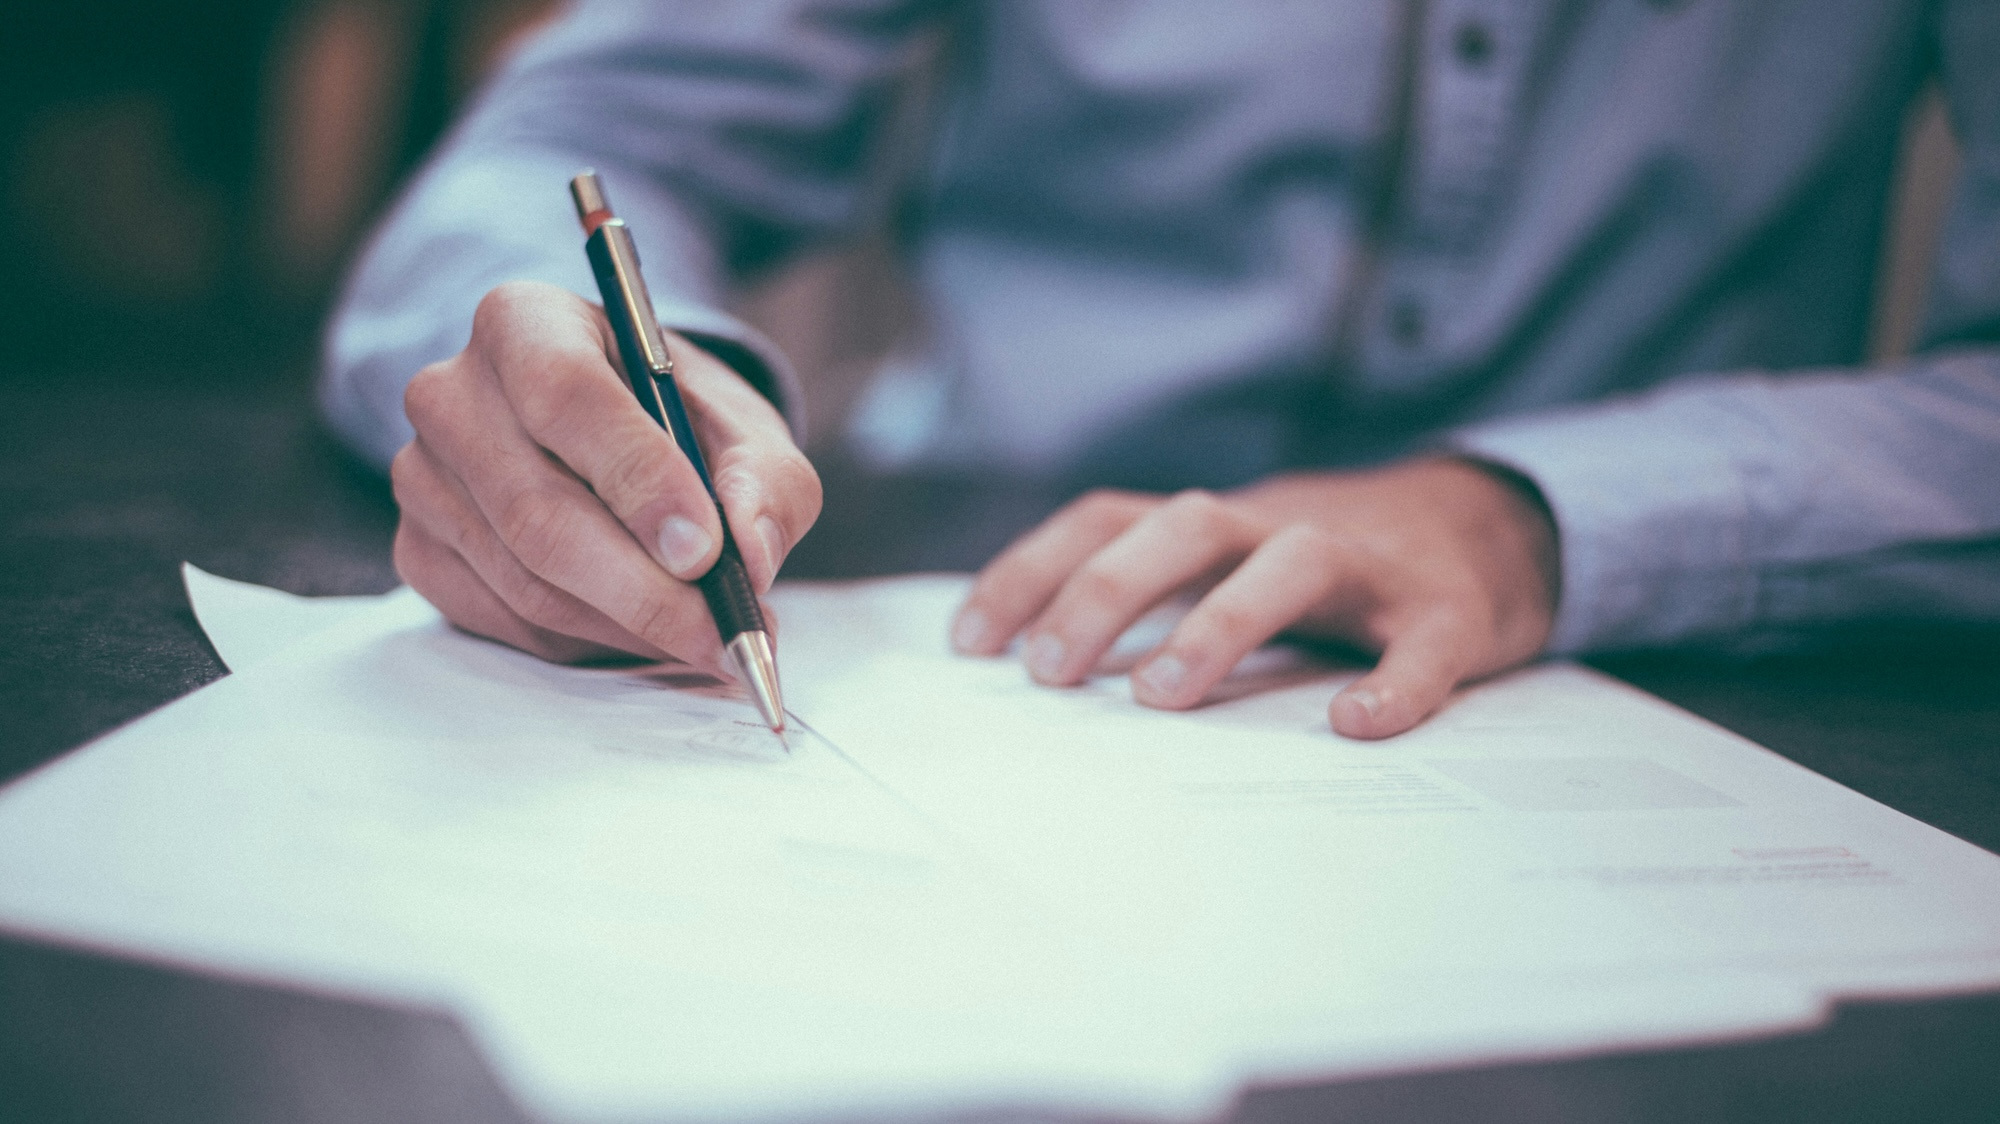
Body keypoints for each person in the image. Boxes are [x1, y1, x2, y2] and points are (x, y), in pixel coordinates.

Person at [324, 1, 2000, 739]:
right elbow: (567, 142)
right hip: (977, 613)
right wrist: (577, 388)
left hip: (1692, 674)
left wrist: (1533, 518)